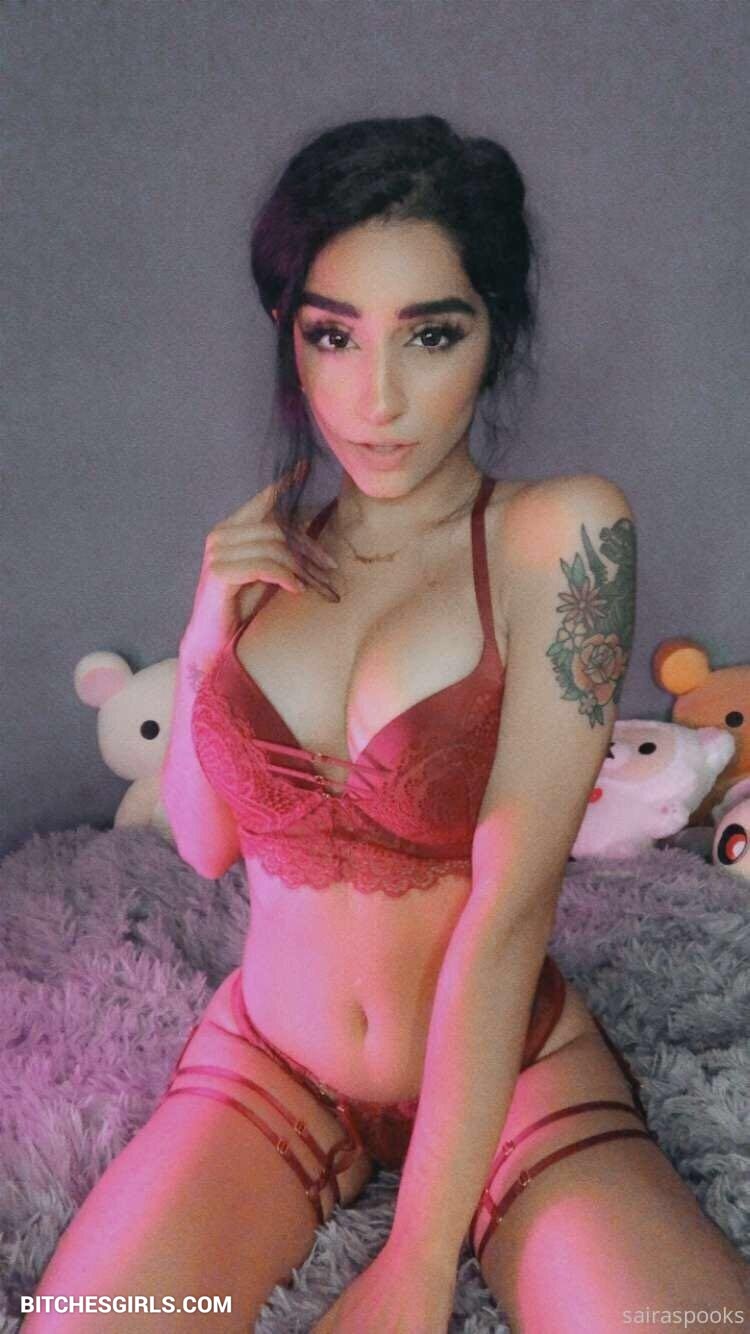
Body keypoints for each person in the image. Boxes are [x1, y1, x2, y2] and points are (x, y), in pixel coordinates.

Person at [29, 115, 748, 1333]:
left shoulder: (560, 535)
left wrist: (416, 1260)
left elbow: (510, 909)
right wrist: (205, 633)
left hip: (511, 1070)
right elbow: (205, 842)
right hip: (273, 1065)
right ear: (290, 337)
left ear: (495, 330)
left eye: (431, 333)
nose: (378, 397)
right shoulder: (273, 558)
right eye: (334, 335)